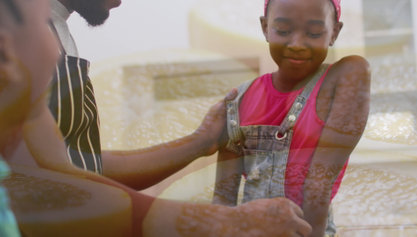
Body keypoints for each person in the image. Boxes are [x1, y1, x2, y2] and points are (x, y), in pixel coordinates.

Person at [1, 0, 313, 236]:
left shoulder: (42, 30)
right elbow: (42, 190)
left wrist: (201, 141)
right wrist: (231, 222)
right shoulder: (17, 36)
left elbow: (72, 167)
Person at [212, 0, 371, 236]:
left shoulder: (345, 78)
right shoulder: (238, 103)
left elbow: (318, 187)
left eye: (314, 32)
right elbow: (223, 200)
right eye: (284, 31)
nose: (297, 44)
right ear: (265, 28)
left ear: (334, 32)